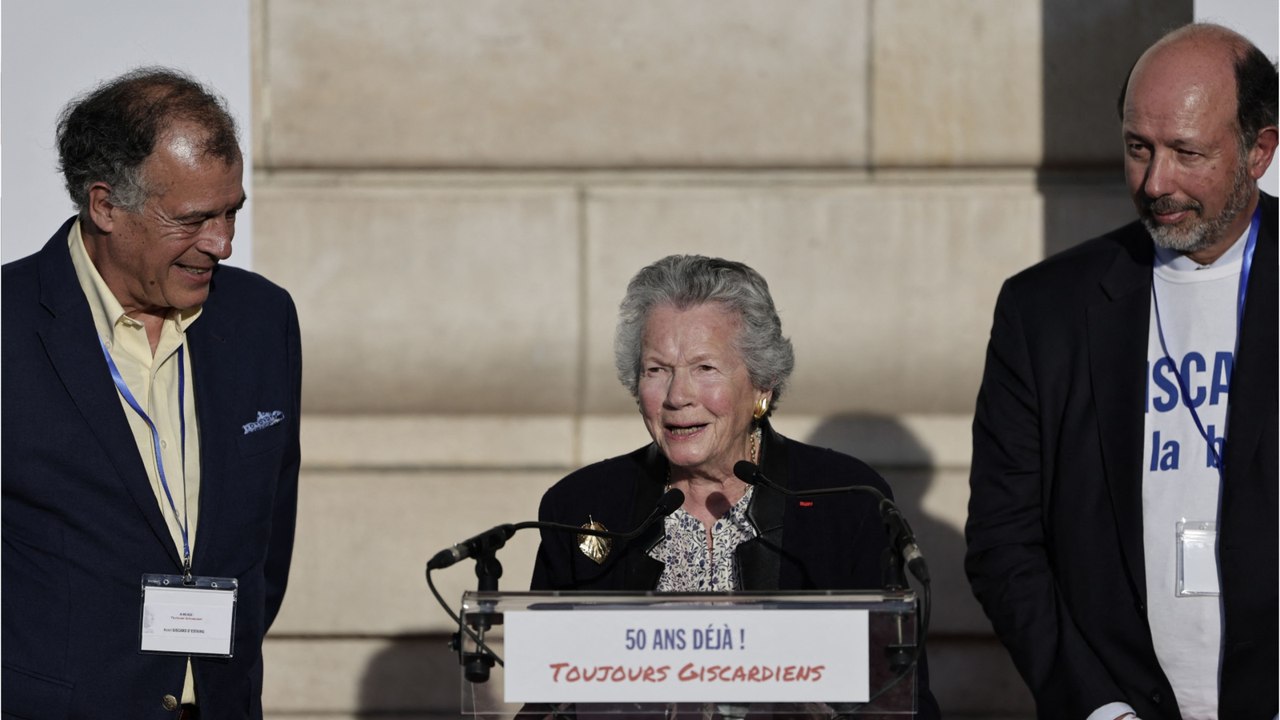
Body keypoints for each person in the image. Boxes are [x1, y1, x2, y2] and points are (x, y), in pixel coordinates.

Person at [965, 24, 1276, 720]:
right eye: (1139, 148)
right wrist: (1100, 709)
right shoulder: (1045, 309)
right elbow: (1004, 542)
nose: (1156, 182)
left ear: (1259, 150)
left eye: (1187, 153)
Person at [2, 68, 302, 718]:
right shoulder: (9, 326)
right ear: (105, 206)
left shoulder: (262, 319)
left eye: (232, 212)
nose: (222, 243)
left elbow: (268, 543)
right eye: (193, 219)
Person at [531, 254, 940, 718]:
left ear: (762, 385)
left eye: (705, 368)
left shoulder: (845, 502)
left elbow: (902, 700)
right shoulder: (581, 504)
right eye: (656, 369)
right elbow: (547, 699)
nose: (677, 396)